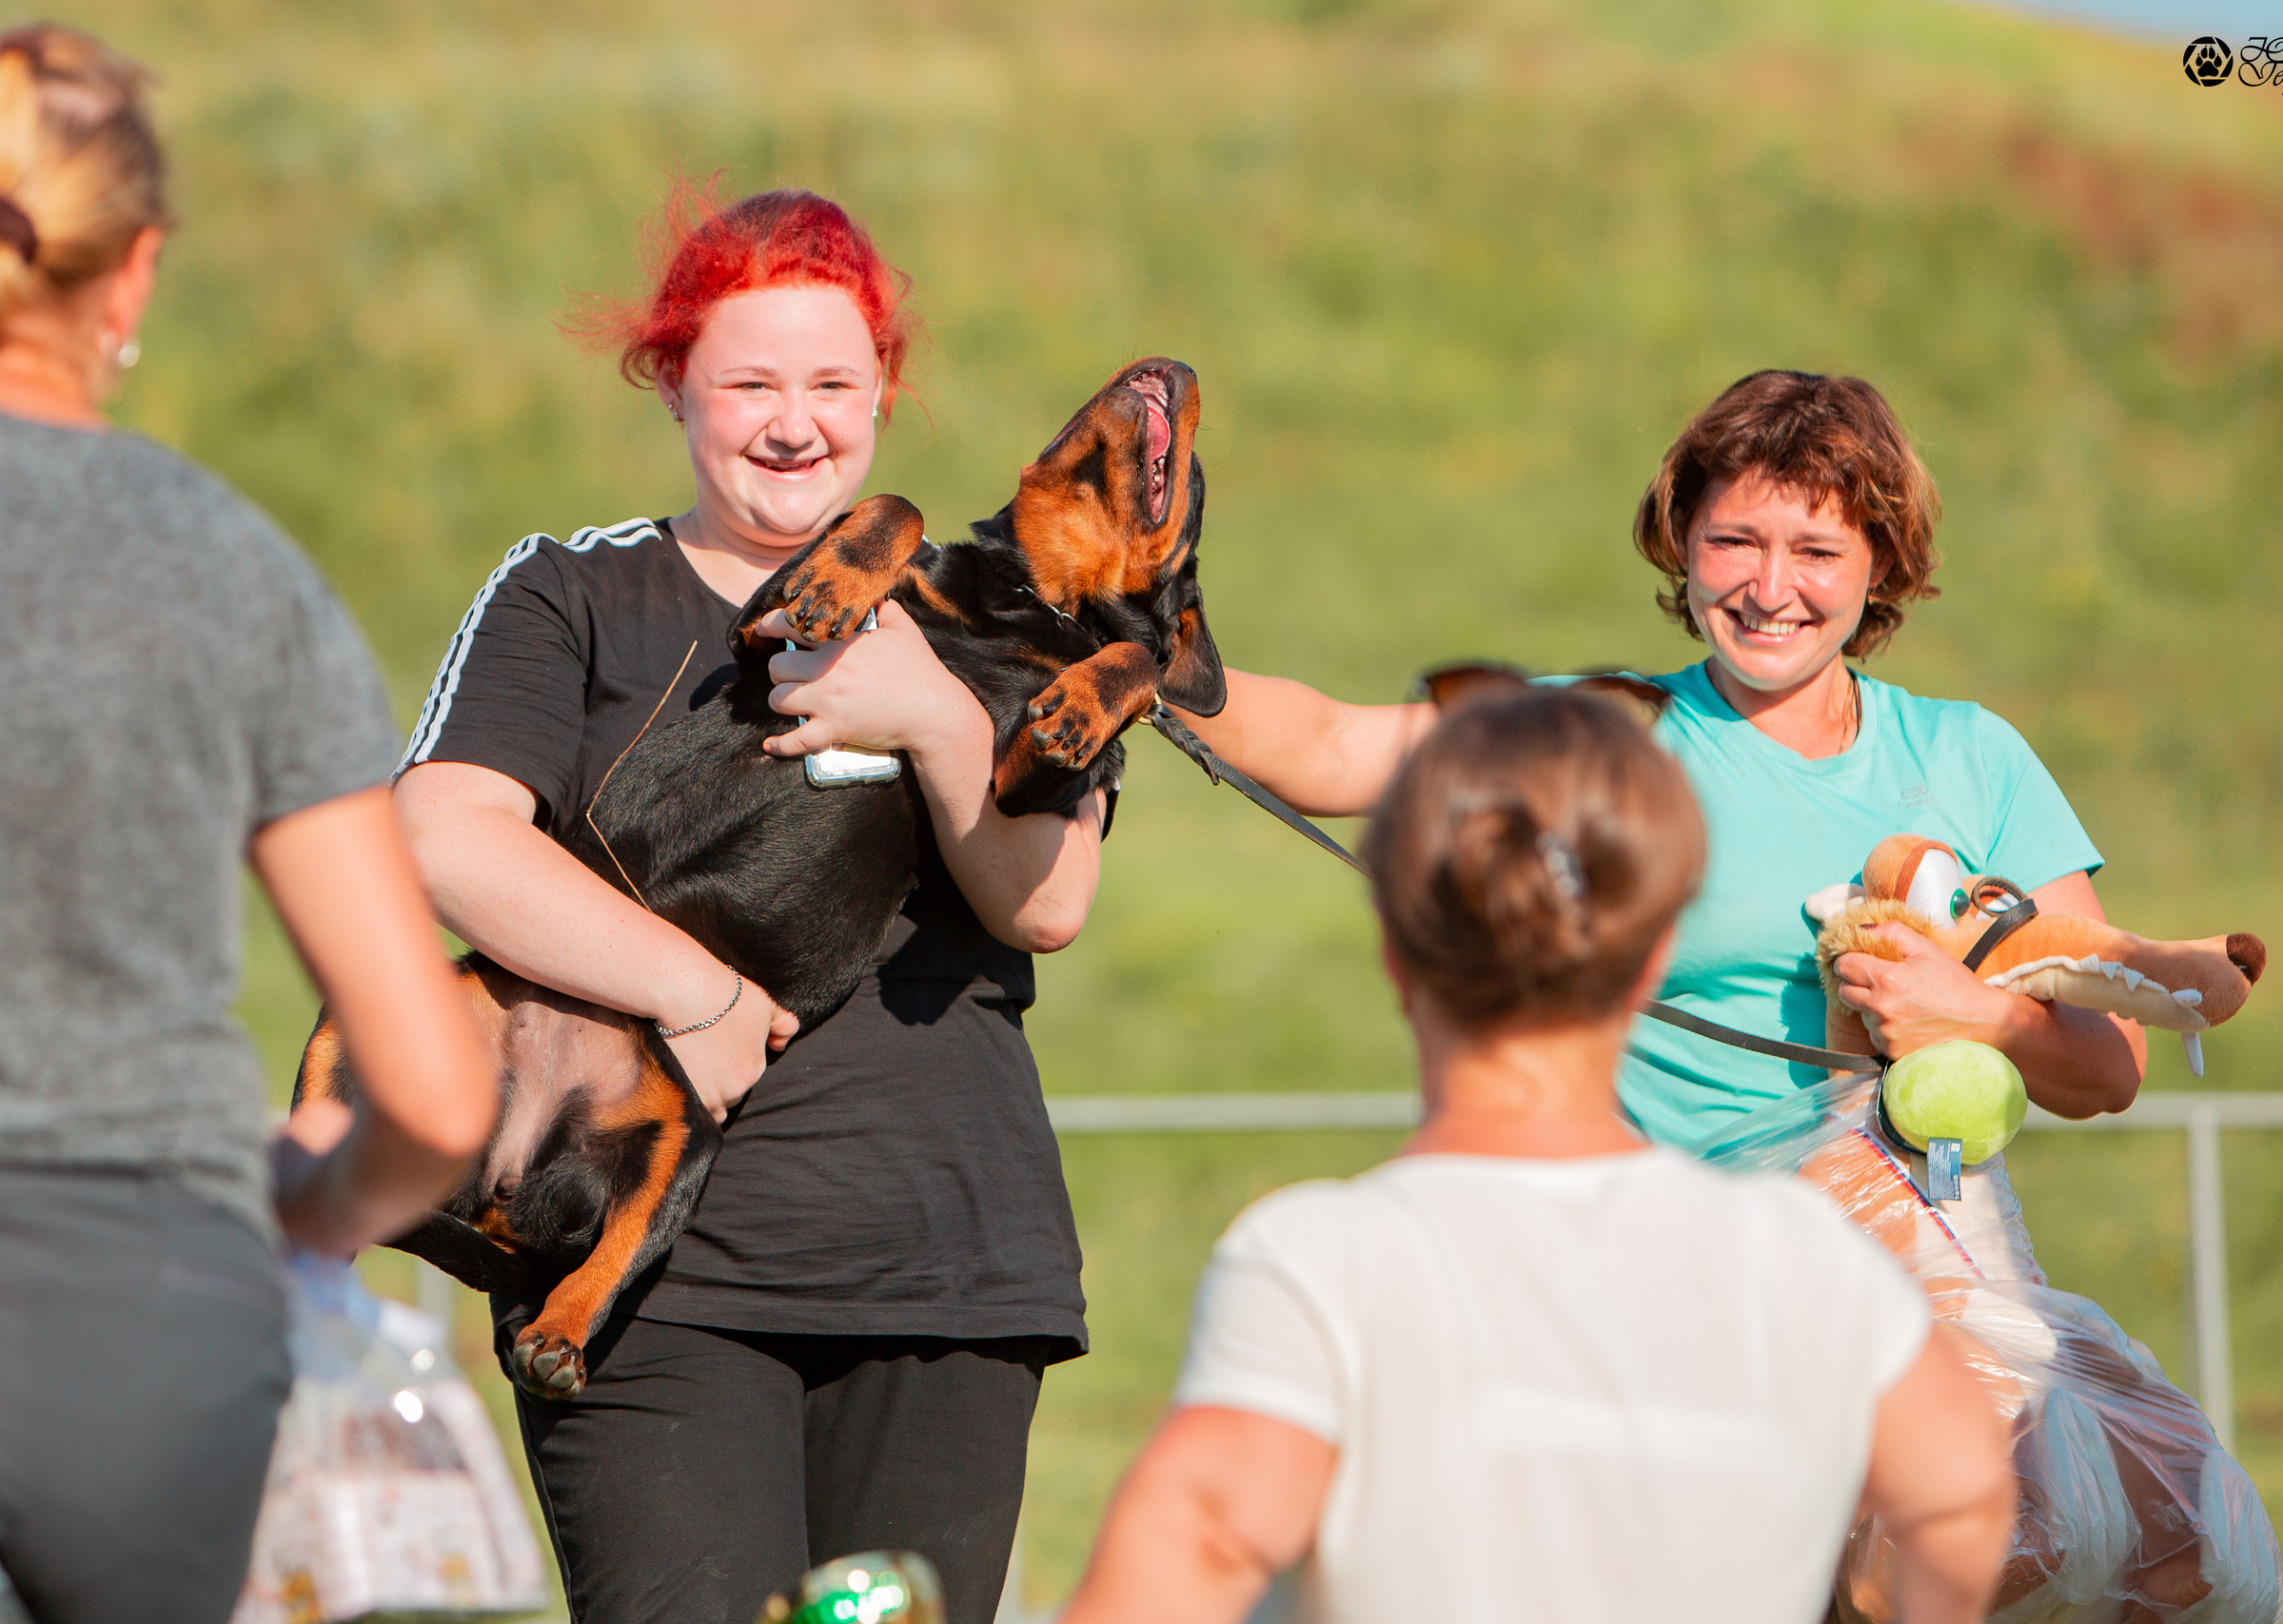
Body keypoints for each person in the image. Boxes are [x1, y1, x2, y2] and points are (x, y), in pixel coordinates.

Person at [391, 185, 1102, 1623]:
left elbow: (1046, 901)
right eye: (750, 383)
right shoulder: (573, 594)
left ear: (885, 390)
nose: (795, 423)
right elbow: (445, 834)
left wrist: (935, 715)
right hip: (653, 1275)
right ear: (674, 386)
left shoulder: (1000, 614)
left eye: (833, 382)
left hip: (948, 1272)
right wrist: (695, 991)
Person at [1059, 687, 2015, 1624]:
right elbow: (1965, 1492)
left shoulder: (1320, 1261)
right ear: (1652, 960)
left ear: (1397, 952)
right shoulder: (1804, 1254)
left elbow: (1200, 1547)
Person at [0, 25, 498, 1624]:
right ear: (130, 276)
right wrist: (306, 1203)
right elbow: (429, 1085)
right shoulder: (224, 565)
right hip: (147, 1316)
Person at [1191, 369, 2144, 1140]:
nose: (1770, 588)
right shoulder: (1601, 734)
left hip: (1904, 1286)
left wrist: (1972, 1013)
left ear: (1882, 562)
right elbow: (1329, 746)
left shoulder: (1972, 753)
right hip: (1660, 1280)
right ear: (1682, 547)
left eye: (1816, 552)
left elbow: (2114, 1063)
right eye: (1733, 541)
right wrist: (1146, 656)